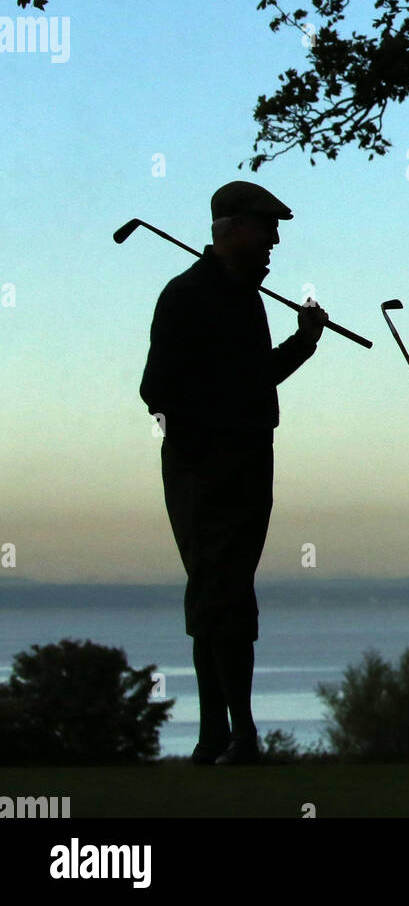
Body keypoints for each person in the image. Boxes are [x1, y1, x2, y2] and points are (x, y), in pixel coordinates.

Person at [139, 181, 328, 765]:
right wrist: (218, 412)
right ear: (232, 228)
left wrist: (304, 343)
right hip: (203, 469)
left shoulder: (246, 299)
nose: (275, 240)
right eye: (266, 227)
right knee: (221, 595)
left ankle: (217, 735)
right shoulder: (186, 296)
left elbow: (256, 378)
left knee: (219, 595)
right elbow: (157, 390)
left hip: (246, 466)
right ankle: (235, 732)